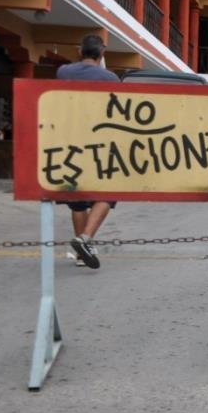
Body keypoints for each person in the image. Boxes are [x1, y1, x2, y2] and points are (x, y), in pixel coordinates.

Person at [55, 34, 120, 269]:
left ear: (79, 50)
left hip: (69, 141)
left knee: (78, 200)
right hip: (100, 142)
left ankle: (82, 250)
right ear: (101, 53)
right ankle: (85, 239)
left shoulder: (63, 72)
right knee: (107, 192)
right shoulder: (111, 78)